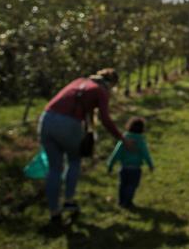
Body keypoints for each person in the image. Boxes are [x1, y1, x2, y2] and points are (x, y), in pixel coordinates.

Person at [39, 68, 133, 225]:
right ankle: (69, 200)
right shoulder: (101, 90)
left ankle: (54, 211)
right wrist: (122, 139)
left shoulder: (78, 81)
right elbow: (105, 119)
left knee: (54, 168)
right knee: (74, 161)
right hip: (69, 124)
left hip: (46, 119)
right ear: (111, 83)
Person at [107, 117, 154, 209]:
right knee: (132, 186)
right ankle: (127, 202)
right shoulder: (140, 141)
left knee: (122, 184)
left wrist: (110, 165)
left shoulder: (124, 139)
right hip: (135, 169)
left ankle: (121, 201)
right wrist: (150, 164)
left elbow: (116, 153)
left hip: (124, 167)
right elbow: (145, 153)